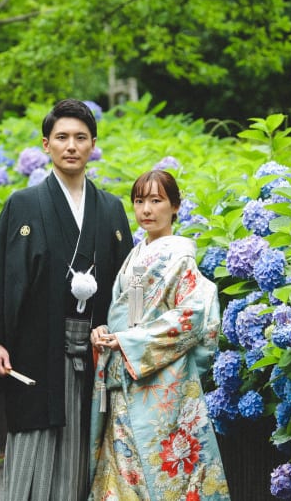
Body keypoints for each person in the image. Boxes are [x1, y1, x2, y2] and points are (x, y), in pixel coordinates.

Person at [0, 99, 133, 501]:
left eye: (80, 138)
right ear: (46, 145)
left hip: (95, 350)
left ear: (93, 145)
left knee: (81, 453)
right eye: (62, 137)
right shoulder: (24, 203)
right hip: (35, 348)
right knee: (32, 445)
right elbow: (1, 276)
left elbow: (127, 286)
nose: (71, 146)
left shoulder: (111, 209)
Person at [88, 170, 230, 500]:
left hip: (161, 381)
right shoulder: (136, 256)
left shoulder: (179, 258)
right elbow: (130, 315)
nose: (146, 210)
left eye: (156, 201)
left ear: (175, 206)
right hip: (126, 375)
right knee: (123, 467)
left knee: (157, 472)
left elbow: (193, 317)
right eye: (139, 201)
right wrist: (107, 332)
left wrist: (129, 341)